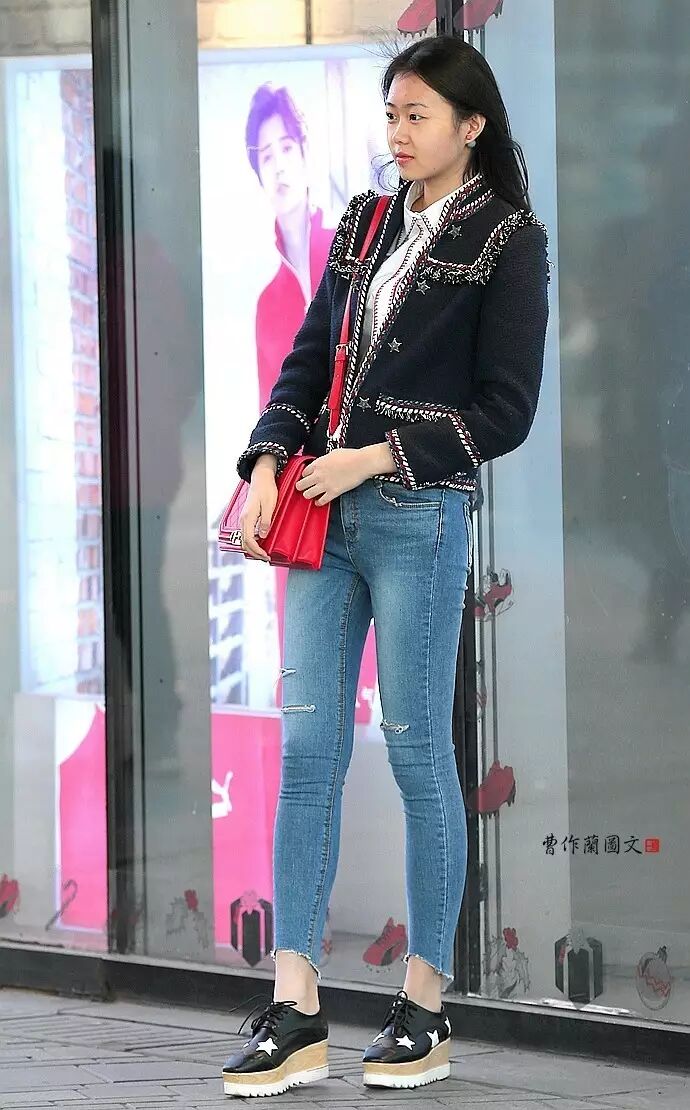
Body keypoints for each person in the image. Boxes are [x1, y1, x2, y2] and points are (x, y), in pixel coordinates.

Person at [222, 35, 549, 1098]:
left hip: (417, 519)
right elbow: (306, 359)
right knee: (307, 751)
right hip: (320, 521)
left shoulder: (509, 240)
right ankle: (296, 1008)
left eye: (418, 116)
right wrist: (267, 461)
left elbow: (506, 410)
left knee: (416, 756)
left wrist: (373, 456)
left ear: (471, 125)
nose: (399, 134)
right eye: (392, 115)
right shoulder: (363, 222)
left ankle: (425, 1005)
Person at [245, 83, 379, 706]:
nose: (277, 165)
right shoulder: (268, 301)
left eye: (285, 148)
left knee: (379, 686)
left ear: (304, 154)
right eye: (264, 155)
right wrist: (264, 471)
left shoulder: (353, 252)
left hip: (367, 480)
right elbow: (272, 401)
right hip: (300, 499)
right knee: (310, 694)